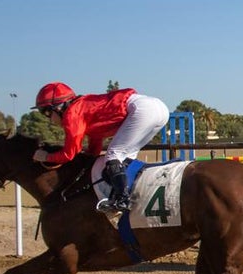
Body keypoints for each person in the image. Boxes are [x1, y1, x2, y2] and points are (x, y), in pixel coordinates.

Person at [31, 82, 170, 213]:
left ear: (58, 107)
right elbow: (95, 142)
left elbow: (69, 154)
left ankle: (122, 200)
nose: (49, 119)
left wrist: (46, 157)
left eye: (46, 113)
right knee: (125, 157)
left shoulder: (71, 114)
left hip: (143, 110)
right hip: (160, 109)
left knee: (113, 155)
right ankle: (131, 192)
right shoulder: (81, 107)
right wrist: (89, 153)